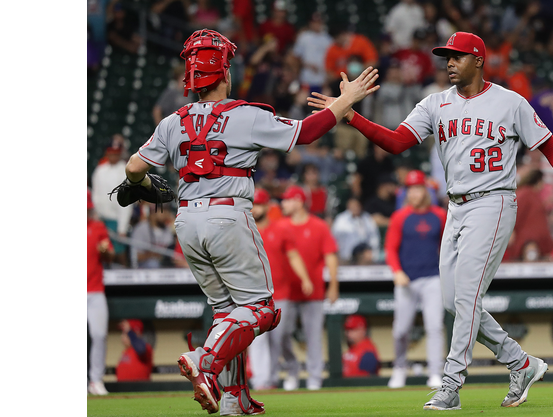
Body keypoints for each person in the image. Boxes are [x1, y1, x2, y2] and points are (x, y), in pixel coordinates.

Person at [308, 31, 553, 410]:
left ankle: (451, 384)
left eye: (457, 56)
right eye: (447, 56)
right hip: (455, 207)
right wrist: (352, 116)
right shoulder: (434, 104)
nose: (449, 62)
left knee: (467, 296)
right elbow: (396, 142)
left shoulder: (510, 102)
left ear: (478, 60)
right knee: (452, 301)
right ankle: (520, 362)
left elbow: (551, 145)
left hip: (493, 202)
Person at [122, 28, 379, 415]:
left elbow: (133, 166)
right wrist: (345, 101)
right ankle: (205, 361)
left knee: (228, 312)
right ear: (225, 72)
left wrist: (143, 185)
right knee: (261, 309)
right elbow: (306, 133)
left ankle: (234, 397)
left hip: (187, 221)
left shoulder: (172, 122)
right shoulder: (246, 115)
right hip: (227, 215)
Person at [384, 170, 446, 390]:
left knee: (435, 327)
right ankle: (400, 368)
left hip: (433, 277)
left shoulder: (439, 215)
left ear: (425, 190)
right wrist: (396, 271)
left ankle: (435, 372)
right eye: (410, 189)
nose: (414, 193)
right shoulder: (400, 216)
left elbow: (446, 247)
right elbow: (390, 249)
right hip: (407, 279)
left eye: (418, 188)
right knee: (401, 329)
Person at [246, 188, 313, 391]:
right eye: (252, 204)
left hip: (279, 292)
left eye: (258, 204)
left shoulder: (281, 229)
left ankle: (273, 377)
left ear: (267, 206)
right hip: (253, 292)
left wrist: (305, 278)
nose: (255, 209)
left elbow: (293, 256)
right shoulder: (245, 230)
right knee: (256, 338)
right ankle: (261, 381)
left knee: (278, 338)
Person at [276, 185, 341, 391]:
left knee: (313, 336)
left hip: (313, 291)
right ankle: (292, 369)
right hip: (285, 291)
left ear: (299, 201)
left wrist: (333, 284)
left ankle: (314, 378)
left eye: (287, 200)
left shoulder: (319, 226)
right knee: (281, 334)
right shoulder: (279, 226)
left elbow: (330, 256)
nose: (283, 203)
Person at [87, 189, 114, 396]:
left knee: (99, 335)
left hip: (95, 290)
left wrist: (106, 251)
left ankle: (96, 380)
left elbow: (110, 256)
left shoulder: (97, 227)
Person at [91, 137, 132, 267]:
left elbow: (127, 201)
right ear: (107, 153)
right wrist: (95, 218)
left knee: (119, 254)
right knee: (100, 254)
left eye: (116, 153)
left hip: (116, 221)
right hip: (100, 219)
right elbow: (95, 195)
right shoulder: (99, 170)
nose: (113, 155)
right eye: (111, 152)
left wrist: (122, 227)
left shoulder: (126, 170)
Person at [331, 196, 381, 264]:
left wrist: (374, 254)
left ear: (360, 206)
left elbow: (374, 238)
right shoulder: (341, 220)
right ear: (348, 206)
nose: (355, 207)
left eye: (357, 205)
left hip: (364, 258)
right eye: (352, 205)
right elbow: (334, 239)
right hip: (346, 258)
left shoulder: (367, 218)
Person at [130, 203, 175, 268]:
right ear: (153, 213)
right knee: (153, 263)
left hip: (163, 267)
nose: (166, 214)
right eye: (162, 211)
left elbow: (170, 254)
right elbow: (136, 257)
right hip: (142, 268)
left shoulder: (167, 230)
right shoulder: (141, 228)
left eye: (167, 211)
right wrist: (152, 254)